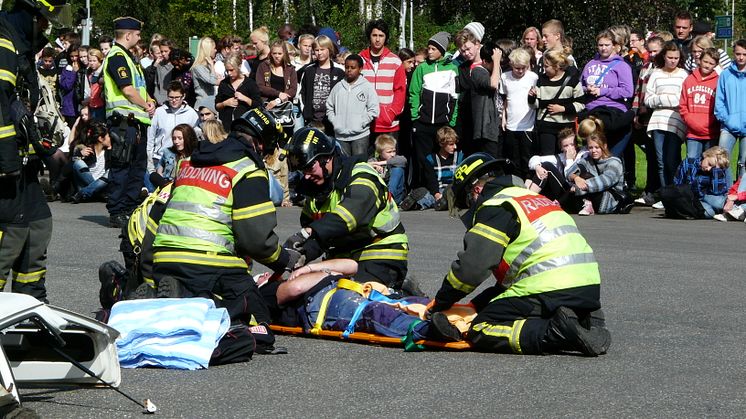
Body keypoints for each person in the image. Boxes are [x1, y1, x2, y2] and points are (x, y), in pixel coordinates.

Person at [424, 153, 611, 356]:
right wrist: (477, 304)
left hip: (549, 288)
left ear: (476, 190)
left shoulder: (495, 206)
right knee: (499, 305)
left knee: (481, 327)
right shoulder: (534, 198)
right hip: (587, 286)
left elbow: (472, 269)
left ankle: (556, 332)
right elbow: (509, 285)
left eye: (467, 201)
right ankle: (584, 317)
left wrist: (441, 302)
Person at [152, 109, 301, 345]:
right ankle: (202, 305)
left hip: (164, 257)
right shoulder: (247, 169)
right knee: (258, 319)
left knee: (200, 282)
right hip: (208, 261)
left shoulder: (191, 161)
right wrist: (283, 260)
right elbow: (255, 239)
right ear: (260, 145)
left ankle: (160, 296)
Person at [0, 0, 73, 304]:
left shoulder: (21, 47)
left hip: (23, 163)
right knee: (12, 234)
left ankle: (30, 308)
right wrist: (6, 159)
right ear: (27, 13)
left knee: (38, 226)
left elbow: (23, 110)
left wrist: (47, 153)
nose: (47, 25)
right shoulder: (3, 42)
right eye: (44, 18)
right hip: (6, 167)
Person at [283, 127, 410, 291]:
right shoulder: (315, 191)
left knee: (351, 298)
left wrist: (307, 232)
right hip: (342, 260)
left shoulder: (361, 175)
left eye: (309, 168)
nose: (306, 176)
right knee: (311, 295)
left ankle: (403, 293)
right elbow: (320, 239)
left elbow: (350, 217)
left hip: (380, 254)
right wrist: (299, 255)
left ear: (326, 159)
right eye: (302, 171)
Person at [258, 258, 462, 345]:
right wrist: (315, 274)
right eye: (260, 276)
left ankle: (463, 320)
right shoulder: (266, 291)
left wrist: (312, 268)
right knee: (375, 313)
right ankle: (426, 330)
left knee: (409, 301)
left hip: (348, 289)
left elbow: (352, 265)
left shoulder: (304, 274)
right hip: (324, 304)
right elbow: (296, 289)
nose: (266, 274)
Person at [102, 17, 157, 229]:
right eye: (137, 34)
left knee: (137, 167)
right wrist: (146, 104)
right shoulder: (117, 57)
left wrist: (149, 101)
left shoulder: (129, 57)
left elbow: (139, 88)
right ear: (128, 35)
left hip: (136, 123)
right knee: (122, 167)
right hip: (123, 123)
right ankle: (117, 211)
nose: (139, 37)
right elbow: (127, 89)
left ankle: (129, 207)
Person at [409, 31, 459, 191]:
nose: (429, 51)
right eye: (428, 48)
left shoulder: (452, 69)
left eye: (433, 49)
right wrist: (415, 116)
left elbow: (455, 97)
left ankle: (438, 190)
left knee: (440, 157)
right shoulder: (422, 68)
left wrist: (451, 121)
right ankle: (422, 190)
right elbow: (414, 92)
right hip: (423, 122)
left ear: (442, 51)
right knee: (422, 159)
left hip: (442, 123)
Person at [645, 41, 688, 192]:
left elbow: (682, 99)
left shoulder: (683, 75)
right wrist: (666, 100)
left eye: (676, 58)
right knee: (661, 161)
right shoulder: (656, 74)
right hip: (658, 121)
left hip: (676, 121)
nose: (673, 61)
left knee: (672, 159)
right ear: (664, 56)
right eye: (670, 57)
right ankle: (665, 193)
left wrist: (662, 99)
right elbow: (648, 100)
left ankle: (676, 191)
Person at [359, 19, 407, 143]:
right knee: (366, 161)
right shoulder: (359, 60)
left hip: (389, 124)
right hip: (364, 122)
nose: (377, 39)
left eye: (381, 36)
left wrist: (391, 113)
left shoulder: (395, 61)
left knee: (389, 161)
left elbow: (400, 91)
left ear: (386, 38)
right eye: (374, 35)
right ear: (369, 36)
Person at [146, 81, 199, 191]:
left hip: (180, 158)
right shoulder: (159, 112)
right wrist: (149, 157)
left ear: (183, 96)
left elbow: (194, 137)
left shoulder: (191, 113)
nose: (174, 100)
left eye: (177, 97)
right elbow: (150, 136)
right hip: (158, 157)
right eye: (171, 97)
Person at [531, 49, 585, 156]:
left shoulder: (572, 81)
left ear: (556, 66)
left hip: (566, 128)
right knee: (548, 157)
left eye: (546, 66)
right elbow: (536, 105)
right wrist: (531, 97)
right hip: (546, 126)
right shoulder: (541, 80)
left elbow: (581, 104)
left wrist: (563, 109)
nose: (544, 69)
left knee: (567, 156)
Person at [326, 54, 379, 157]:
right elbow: (329, 107)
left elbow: (373, 109)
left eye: (353, 67)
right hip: (340, 136)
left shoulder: (367, 87)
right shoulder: (338, 87)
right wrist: (335, 121)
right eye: (347, 67)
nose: (349, 70)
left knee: (358, 166)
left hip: (360, 136)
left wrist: (361, 122)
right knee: (343, 167)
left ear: (360, 69)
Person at [525, 127, 588, 213]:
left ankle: (527, 200)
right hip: (562, 193)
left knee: (547, 166)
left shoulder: (583, 155)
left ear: (576, 145)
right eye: (566, 146)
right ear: (561, 148)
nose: (569, 148)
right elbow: (534, 159)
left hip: (576, 195)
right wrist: (537, 167)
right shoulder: (560, 157)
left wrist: (569, 160)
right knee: (539, 168)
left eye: (572, 144)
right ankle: (528, 199)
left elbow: (569, 176)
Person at [401, 126, 463, 211]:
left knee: (454, 196)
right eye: (451, 144)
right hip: (438, 189)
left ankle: (440, 203)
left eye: (455, 143)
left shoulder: (460, 156)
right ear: (442, 143)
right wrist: (436, 194)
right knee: (429, 196)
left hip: (453, 188)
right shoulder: (431, 159)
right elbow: (431, 179)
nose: (455, 147)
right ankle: (414, 204)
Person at [566, 129, 626, 215]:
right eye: (590, 148)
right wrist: (576, 178)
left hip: (608, 199)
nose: (593, 151)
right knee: (578, 173)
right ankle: (586, 204)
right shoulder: (587, 160)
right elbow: (569, 172)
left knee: (572, 190)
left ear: (604, 146)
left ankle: (584, 203)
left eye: (597, 147)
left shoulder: (614, 162)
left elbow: (605, 181)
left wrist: (579, 187)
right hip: (589, 193)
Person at [502, 48, 538, 179]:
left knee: (527, 159)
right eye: (517, 68)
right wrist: (503, 118)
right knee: (513, 159)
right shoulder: (505, 77)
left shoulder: (533, 77)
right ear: (511, 65)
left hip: (528, 126)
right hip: (511, 125)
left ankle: (529, 184)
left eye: (524, 68)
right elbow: (505, 99)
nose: (521, 71)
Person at [680, 48, 720, 158]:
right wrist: (690, 120)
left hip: (712, 132)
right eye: (705, 61)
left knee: (710, 164)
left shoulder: (718, 81)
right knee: (692, 162)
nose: (707, 65)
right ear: (700, 60)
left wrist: (710, 122)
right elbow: (683, 105)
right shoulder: (689, 80)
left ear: (716, 65)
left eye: (711, 63)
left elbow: (720, 106)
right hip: (693, 132)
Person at [299, 35, 344, 132]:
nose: (319, 53)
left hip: (332, 119)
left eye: (322, 49)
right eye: (316, 50)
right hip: (312, 119)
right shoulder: (308, 70)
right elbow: (302, 92)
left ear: (329, 50)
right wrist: (305, 111)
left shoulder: (339, 71)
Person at [715, 39, 746, 180]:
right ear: (733, 53)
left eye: (744, 54)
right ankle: (725, 191)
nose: (741, 57)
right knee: (721, 160)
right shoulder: (725, 75)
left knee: (744, 162)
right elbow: (719, 101)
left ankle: (741, 195)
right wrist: (726, 119)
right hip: (728, 125)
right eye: (738, 54)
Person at [673, 146, 730, 219]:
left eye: (712, 167)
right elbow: (677, 184)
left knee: (719, 204)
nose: (708, 169)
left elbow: (717, 192)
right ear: (706, 155)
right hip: (691, 198)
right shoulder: (688, 163)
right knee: (709, 212)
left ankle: (719, 210)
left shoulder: (717, 171)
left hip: (707, 197)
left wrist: (716, 171)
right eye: (709, 164)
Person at [255, 39, 298, 134]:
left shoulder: (290, 69)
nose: (277, 56)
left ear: (284, 54)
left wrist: (278, 100)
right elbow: (260, 86)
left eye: (280, 53)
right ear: (271, 53)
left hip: (284, 110)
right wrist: (278, 93)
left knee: (286, 138)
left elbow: (293, 90)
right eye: (274, 53)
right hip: (267, 107)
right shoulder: (263, 66)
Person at [469, 40, 503, 158]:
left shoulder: (491, 72)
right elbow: (493, 84)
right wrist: (497, 61)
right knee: (490, 164)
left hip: (495, 127)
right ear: (484, 61)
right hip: (485, 130)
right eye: (493, 62)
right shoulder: (477, 71)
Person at [215, 52, 261, 132]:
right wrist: (225, 103)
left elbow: (259, 106)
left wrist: (245, 99)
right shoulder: (224, 84)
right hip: (227, 126)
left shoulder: (250, 83)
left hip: (245, 126)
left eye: (232, 70)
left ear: (239, 66)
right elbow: (217, 106)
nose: (229, 73)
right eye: (227, 70)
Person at [70, 121, 111, 203]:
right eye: (108, 137)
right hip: (86, 185)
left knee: (111, 171)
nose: (110, 139)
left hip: (101, 185)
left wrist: (111, 149)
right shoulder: (86, 149)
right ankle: (98, 193)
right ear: (100, 139)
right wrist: (79, 154)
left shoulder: (109, 152)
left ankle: (83, 193)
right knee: (78, 163)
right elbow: (69, 167)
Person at [368, 134, 407, 204]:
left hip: (395, 195)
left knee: (398, 169)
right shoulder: (374, 160)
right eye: (389, 152)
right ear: (380, 152)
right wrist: (374, 166)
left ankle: (389, 196)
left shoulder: (397, 159)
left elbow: (403, 160)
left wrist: (382, 163)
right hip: (379, 194)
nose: (392, 154)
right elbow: (365, 164)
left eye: (394, 151)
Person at [190, 36, 223, 110]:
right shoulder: (198, 67)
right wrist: (212, 66)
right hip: (202, 105)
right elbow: (213, 81)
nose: (215, 50)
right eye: (214, 48)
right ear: (208, 50)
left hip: (211, 103)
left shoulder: (206, 66)